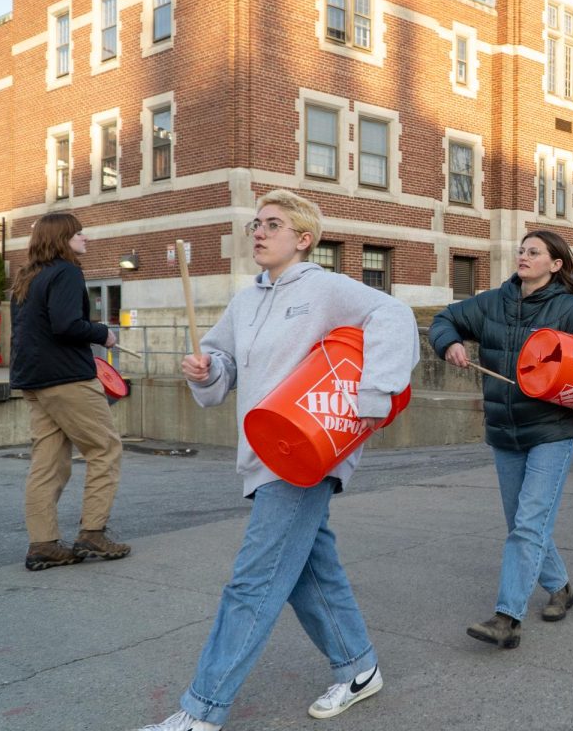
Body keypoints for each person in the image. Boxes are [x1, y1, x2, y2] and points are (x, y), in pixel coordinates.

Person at [139, 190, 419, 731]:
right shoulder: (246, 300)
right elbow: (221, 363)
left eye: (272, 224)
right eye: (255, 224)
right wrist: (207, 371)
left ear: (303, 238)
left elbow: (394, 313)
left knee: (254, 581)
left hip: (307, 453)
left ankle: (201, 711)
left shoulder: (325, 287)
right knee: (311, 571)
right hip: (263, 451)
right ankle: (359, 669)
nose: (259, 233)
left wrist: (375, 392)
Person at [430, 230, 573, 649]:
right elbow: (444, 319)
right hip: (504, 432)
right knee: (524, 524)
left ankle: (507, 617)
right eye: (521, 249)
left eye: (533, 252)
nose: (522, 256)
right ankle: (560, 588)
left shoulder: (570, 309)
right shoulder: (492, 303)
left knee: (528, 524)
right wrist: (448, 343)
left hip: (551, 432)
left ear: (555, 265)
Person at [10, 212, 131, 572]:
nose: (85, 237)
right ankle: (93, 533)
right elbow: (65, 325)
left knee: (47, 462)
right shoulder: (66, 271)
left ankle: (43, 543)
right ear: (64, 238)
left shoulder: (26, 276)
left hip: (33, 380)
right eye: (79, 233)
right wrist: (102, 333)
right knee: (105, 448)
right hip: (67, 379)